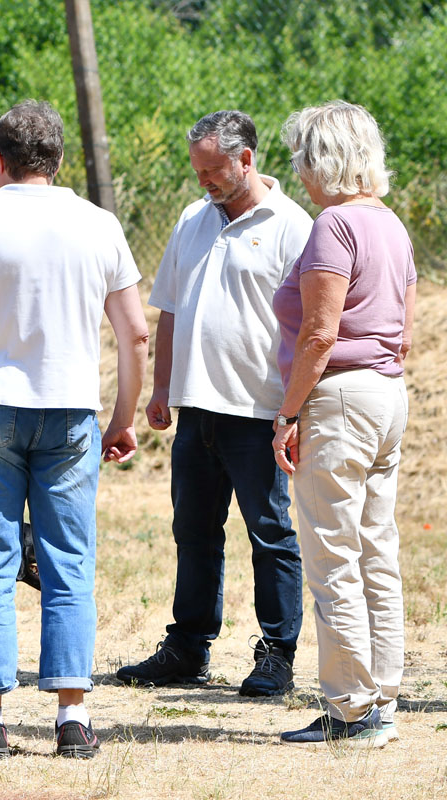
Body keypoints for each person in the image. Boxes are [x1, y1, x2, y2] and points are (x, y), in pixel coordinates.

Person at [0, 100, 149, 759]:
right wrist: (124, 414)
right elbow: (134, 332)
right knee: (68, 559)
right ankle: (73, 716)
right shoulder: (97, 223)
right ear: (60, 159)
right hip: (72, 407)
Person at [116, 110, 312, 696]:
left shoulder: (292, 226)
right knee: (193, 531)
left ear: (245, 159)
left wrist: (294, 409)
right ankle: (189, 648)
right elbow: (169, 309)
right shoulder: (192, 219)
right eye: (197, 168)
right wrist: (161, 388)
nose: (202, 179)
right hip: (196, 407)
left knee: (270, 532)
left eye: (212, 168)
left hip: (259, 411)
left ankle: (277, 653)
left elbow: (309, 325)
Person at [273, 101, 415, 748]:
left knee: (332, 558)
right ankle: (381, 697)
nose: (297, 171)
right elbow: (404, 329)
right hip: (386, 391)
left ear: (320, 159)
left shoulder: (334, 224)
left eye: (301, 156)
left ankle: (352, 708)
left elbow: (320, 330)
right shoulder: (390, 224)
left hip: (339, 397)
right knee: (375, 552)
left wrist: (290, 410)